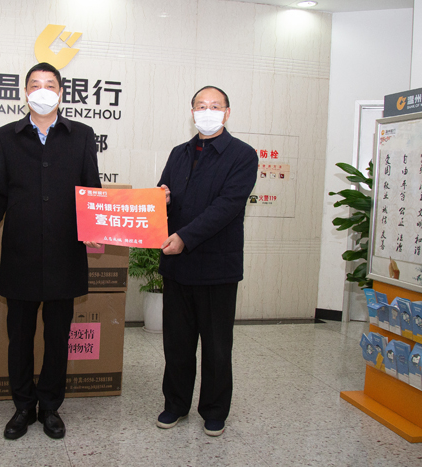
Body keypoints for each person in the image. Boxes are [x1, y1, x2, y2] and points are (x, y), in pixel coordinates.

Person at [0, 62, 101, 440]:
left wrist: (97, 227)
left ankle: (50, 406)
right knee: (20, 337)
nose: (42, 90)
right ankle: (22, 406)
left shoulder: (81, 135)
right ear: (25, 92)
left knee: (58, 337)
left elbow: (91, 189)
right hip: (21, 255)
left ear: (60, 93)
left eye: (50, 84)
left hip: (66, 254)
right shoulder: (6, 136)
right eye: (35, 84)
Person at [155, 86, 258, 437]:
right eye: (201, 105)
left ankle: (214, 410)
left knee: (216, 346)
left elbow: (227, 206)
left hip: (217, 267)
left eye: (215, 106)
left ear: (227, 113)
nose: (207, 111)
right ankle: (175, 404)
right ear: (192, 112)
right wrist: (162, 198)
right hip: (177, 267)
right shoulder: (179, 153)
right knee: (177, 343)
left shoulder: (242, 155)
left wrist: (185, 237)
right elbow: (162, 195)